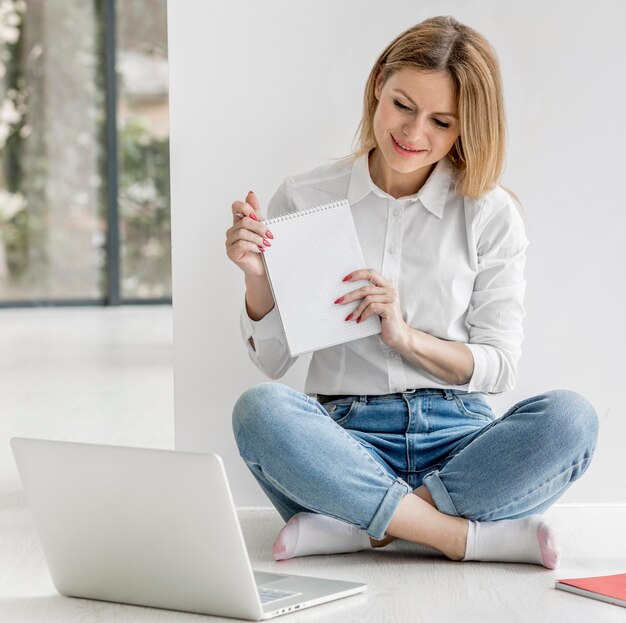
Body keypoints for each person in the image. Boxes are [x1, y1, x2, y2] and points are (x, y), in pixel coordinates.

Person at [226, 15, 598, 568]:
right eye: (403, 105)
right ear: (379, 84)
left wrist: (406, 338)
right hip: (347, 443)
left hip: (460, 443)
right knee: (259, 412)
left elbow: (499, 366)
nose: (413, 133)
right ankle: (462, 537)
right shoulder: (307, 197)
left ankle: (363, 527)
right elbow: (274, 363)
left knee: (572, 420)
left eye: (441, 121)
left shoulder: (490, 213)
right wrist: (258, 279)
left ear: (465, 128)